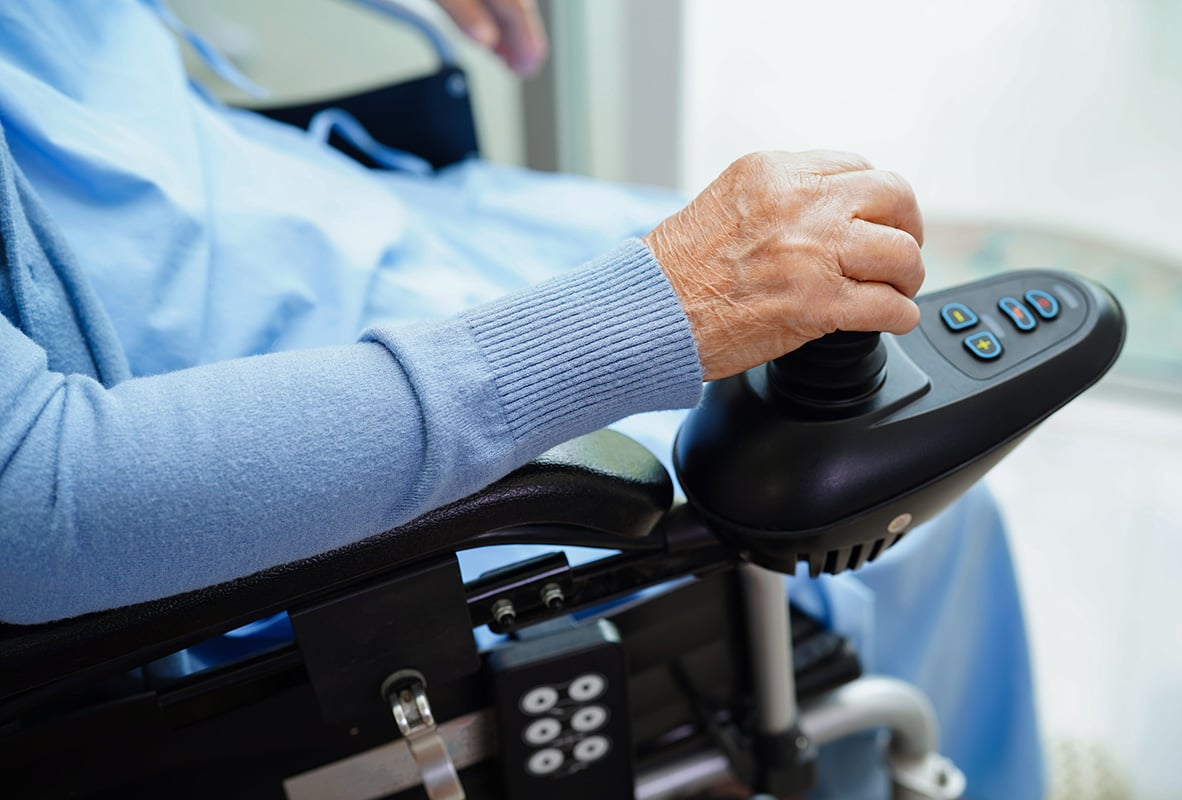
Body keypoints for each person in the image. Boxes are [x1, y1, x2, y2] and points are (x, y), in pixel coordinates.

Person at [0, 1, 1042, 797]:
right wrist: (652, 312)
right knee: (933, 524)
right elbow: (36, 503)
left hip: (290, 197)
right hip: (246, 421)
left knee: (793, 263)